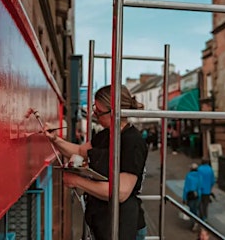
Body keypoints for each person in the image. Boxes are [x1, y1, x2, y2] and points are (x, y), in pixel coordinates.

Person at [42, 85, 148, 240]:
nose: (94, 114)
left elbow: (121, 192)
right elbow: (79, 151)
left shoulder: (132, 141)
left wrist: (77, 181)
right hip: (103, 222)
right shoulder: (105, 134)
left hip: (123, 224)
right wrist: (55, 139)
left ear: (113, 111)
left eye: (99, 111)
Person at [182, 163, 202, 231]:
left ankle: (193, 223)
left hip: (190, 195)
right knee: (196, 209)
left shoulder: (188, 176)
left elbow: (186, 188)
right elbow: (199, 187)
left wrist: (184, 198)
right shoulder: (199, 176)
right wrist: (200, 196)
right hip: (197, 195)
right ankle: (196, 221)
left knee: (191, 210)